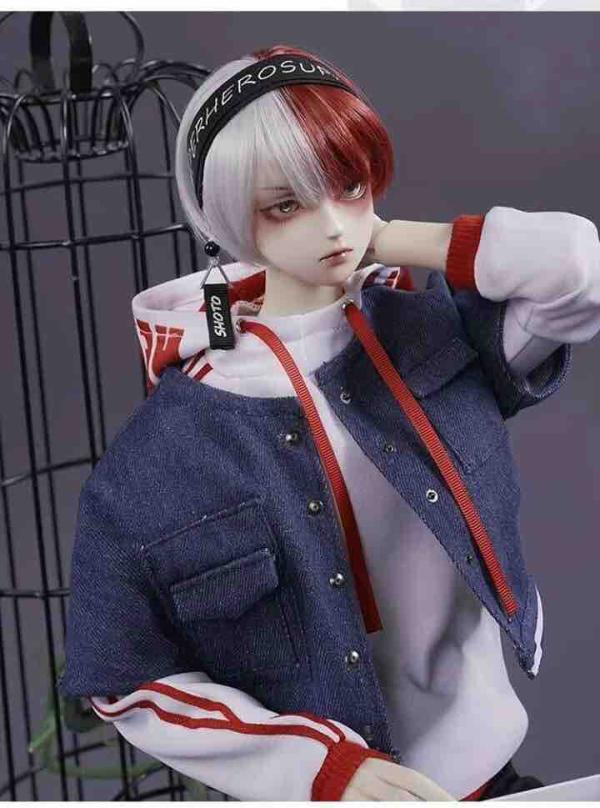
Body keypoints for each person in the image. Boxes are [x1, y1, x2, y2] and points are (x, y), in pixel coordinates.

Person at [59, 44, 600, 801]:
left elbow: (577, 269)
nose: (333, 228)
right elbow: (123, 677)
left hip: (494, 774)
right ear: (229, 218)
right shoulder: (159, 458)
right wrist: (318, 770)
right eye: (286, 205)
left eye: (349, 185)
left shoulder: (431, 333)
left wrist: (395, 236)